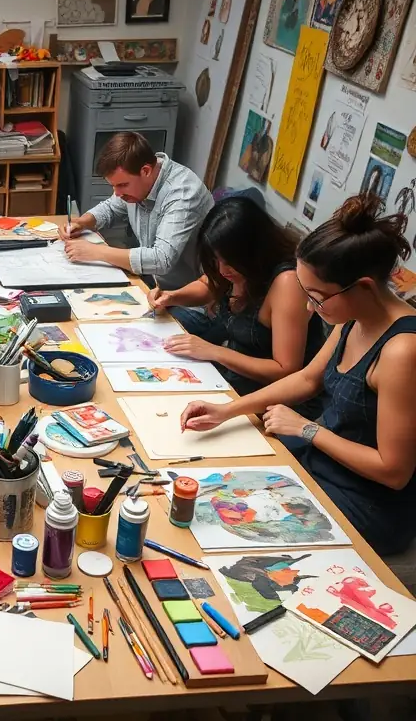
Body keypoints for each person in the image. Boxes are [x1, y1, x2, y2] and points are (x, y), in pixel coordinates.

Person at [180, 194, 416, 556]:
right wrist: (227, 410)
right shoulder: (354, 318)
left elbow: (393, 470)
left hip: (365, 502)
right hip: (322, 462)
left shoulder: (402, 350)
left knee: (234, 540)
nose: (309, 306)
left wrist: (307, 428)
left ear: (365, 287)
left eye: (317, 298)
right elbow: (307, 378)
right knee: (208, 485)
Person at [150, 196, 325, 413]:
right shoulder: (232, 268)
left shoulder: (287, 283)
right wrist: (172, 296)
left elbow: (286, 371)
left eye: (229, 261)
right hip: (235, 374)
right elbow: (209, 284)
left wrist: (214, 352)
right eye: (216, 260)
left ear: (254, 252)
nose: (223, 270)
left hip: (277, 402)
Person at [60, 132, 214, 291]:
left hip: (190, 297)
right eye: (113, 186)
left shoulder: (182, 195)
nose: (118, 193)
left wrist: (97, 252)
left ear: (146, 171)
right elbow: (111, 207)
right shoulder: (136, 181)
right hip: (154, 285)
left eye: (122, 185)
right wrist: (84, 222)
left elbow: (161, 260)